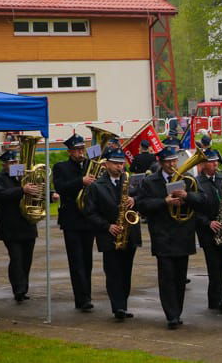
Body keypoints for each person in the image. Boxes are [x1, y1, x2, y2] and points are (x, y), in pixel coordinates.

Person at [136, 146, 206, 329]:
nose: (172, 165)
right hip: (163, 235)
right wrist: (164, 202)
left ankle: (177, 311)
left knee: (180, 277)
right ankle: (171, 315)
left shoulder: (188, 180)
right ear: (160, 163)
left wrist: (188, 196)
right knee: (167, 277)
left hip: (183, 235)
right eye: (168, 162)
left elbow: (203, 201)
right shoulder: (150, 181)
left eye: (174, 161)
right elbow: (142, 205)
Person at [83, 148, 141, 320]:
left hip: (129, 233)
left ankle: (123, 303)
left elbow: (144, 197)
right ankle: (118, 307)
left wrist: (134, 200)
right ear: (106, 164)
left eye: (121, 163)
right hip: (109, 236)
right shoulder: (96, 186)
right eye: (116, 163)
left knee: (126, 272)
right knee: (113, 272)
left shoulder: (129, 181)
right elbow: (89, 213)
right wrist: (107, 226)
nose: (119, 167)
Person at [52, 134, 97, 312]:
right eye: (77, 150)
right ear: (70, 152)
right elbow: (61, 187)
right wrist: (81, 181)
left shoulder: (90, 165)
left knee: (87, 261)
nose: (80, 153)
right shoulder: (61, 167)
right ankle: (82, 298)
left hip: (89, 219)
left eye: (82, 149)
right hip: (71, 220)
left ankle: (86, 295)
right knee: (76, 260)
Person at [0, 150, 38, 302]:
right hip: (10, 227)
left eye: (16, 162)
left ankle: (24, 287)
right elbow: (0, 194)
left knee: (27, 260)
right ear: (4, 165)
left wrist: (51, 195)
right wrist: (21, 190)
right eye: (11, 163)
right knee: (16, 258)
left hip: (27, 225)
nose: (15, 165)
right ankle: (18, 290)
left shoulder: (25, 177)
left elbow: (37, 191)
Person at [195, 149, 222, 311]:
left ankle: (215, 298)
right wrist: (207, 222)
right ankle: (220, 296)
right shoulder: (197, 182)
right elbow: (194, 209)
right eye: (211, 162)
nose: (215, 164)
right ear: (203, 164)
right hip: (207, 230)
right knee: (213, 265)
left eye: (216, 161)